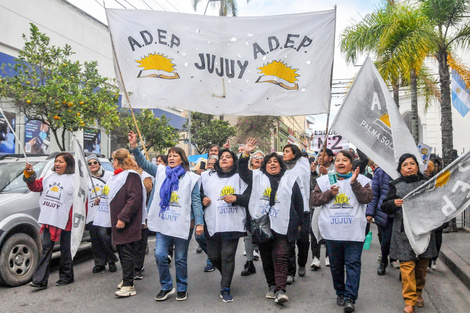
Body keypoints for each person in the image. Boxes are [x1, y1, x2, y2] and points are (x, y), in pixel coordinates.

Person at [128, 132, 205, 301]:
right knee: (160, 255)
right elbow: (143, 163)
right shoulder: (161, 172)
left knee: (180, 259)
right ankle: (166, 286)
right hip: (164, 223)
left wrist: (199, 222)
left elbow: (196, 201)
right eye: (169, 155)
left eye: (175, 155)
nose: (171, 158)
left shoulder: (191, 178)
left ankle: (182, 288)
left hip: (182, 224)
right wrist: (134, 147)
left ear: (182, 160)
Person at [238, 138, 304, 304]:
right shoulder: (256, 177)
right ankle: (271, 285)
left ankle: (280, 290)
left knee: (280, 255)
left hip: (283, 224)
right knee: (267, 257)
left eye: (276, 161)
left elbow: (298, 202)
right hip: (262, 225)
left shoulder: (290, 179)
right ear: (264, 165)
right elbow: (242, 171)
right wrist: (246, 153)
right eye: (269, 162)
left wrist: (301, 222)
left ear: (281, 165)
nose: (272, 164)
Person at [311, 150, 372, 313]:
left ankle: (350, 298)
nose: (340, 162)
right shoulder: (324, 181)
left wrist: (354, 183)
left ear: (351, 164)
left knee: (353, 264)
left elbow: (367, 198)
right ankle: (340, 292)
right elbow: (314, 200)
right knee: (336, 266)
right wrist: (330, 193)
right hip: (332, 233)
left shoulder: (362, 180)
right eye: (338, 160)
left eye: (345, 160)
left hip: (353, 233)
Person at [382, 153, 436, 313]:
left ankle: (418, 292)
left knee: (421, 268)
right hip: (403, 232)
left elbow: (437, 203)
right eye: (405, 165)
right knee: (406, 268)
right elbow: (384, 206)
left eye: (412, 163)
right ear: (400, 169)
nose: (409, 167)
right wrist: (393, 203)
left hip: (424, 231)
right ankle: (409, 301)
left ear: (417, 167)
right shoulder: (395, 185)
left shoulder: (427, 183)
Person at [200, 149, 249, 303]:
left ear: (234, 161)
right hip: (212, 223)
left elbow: (249, 197)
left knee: (227, 256)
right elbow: (197, 195)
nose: (224, 159)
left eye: (228, 157)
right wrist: (203, 199)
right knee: (214, 256)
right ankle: (226, 274)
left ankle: (225, 287)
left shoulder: (241, 177)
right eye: (221, 157)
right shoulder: (207, 177)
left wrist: (237, 198)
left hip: (232, 223)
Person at [24, 152, 76, 290]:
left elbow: (82, 201)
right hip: (50, 218)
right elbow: (36, 186)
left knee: (66, 250)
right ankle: (40, 280)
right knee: (47, 248)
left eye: (61, 161)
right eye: (56, 161)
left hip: (66, 221)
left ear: (68, 164)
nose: (57, 164)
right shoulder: (49, 175)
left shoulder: (75, 179)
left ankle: (66, 276)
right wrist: (29, 175)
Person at [99, 149, 144, 297]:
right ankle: (127, 279)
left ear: (118, 161)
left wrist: (123, 217)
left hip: (126, 221)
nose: (112, 163)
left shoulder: (131, 176)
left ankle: (129, 285)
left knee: (126, 252)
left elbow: (134, 199)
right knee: (122, 250)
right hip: (118, 220)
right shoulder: (118, 176)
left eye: (113, 160)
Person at [282, 144, 310, 283]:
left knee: (303, 239)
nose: (284, 154)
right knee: (289, 241)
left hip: (303, 208)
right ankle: (290, 271)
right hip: (287, 208)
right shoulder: (281, 167)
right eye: (283, 151)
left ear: (294, 154)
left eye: (287, 151)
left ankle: (302, 263)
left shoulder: (303, 165)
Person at [85, 154, 118, 274]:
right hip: (92, 214)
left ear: (99, 164)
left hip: (106, 213)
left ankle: (111, 261)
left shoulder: (110, 176)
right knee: (95, 239)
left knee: (104, 236)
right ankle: (99, 263)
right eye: (90, 163)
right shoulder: (85, 180)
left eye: (95, 162)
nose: (93, 165)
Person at [365, 166, 394, 276]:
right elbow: (375, 194)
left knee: (401, 240)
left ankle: (403, 266)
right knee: (385, 240)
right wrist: (370, 212)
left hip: (400, 211)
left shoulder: (405, 169)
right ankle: (383, 261)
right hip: (384, 211)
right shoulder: (380, 172)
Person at [241, 150, 265, 277]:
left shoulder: (267, 175)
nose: (258, 159)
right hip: (250, 209)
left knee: (266, 235)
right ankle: (249, 263)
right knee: (249, 235)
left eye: (261, 158)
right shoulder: (248, 175)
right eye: (255, 157)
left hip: (265, 210)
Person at [310, 148, 335, 269]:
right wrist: (314, 173)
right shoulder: (315, 168)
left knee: (329, 231)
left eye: (323, 155)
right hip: (316, 205)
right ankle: (315, 257)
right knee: (314, 230)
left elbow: (336, 186)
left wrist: (327, 173)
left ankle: (328, 256)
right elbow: (312, 187)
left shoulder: (335, 170)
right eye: (319, 156)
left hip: (331, 206)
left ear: (330, 158)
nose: (320, 158)